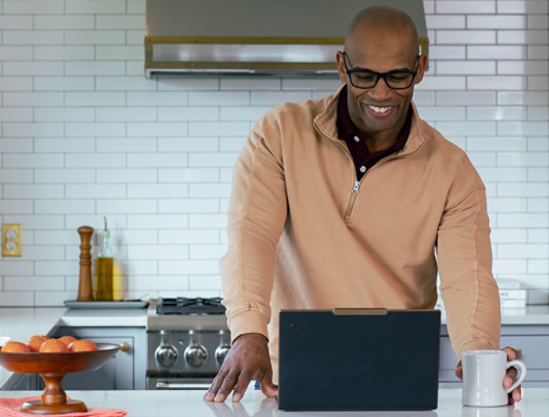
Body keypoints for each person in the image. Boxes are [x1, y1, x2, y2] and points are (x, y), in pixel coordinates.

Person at [203, 6, 523, 405]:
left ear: (420, 68)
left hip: (399, 380)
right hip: (291, 382)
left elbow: (468, 279)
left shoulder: (453, 171)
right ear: (342, 66)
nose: (381, 93)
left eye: (398, 76)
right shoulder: (279, 134)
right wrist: (249, 329)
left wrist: (478, 351)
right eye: (365, 75)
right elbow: (251, 235)